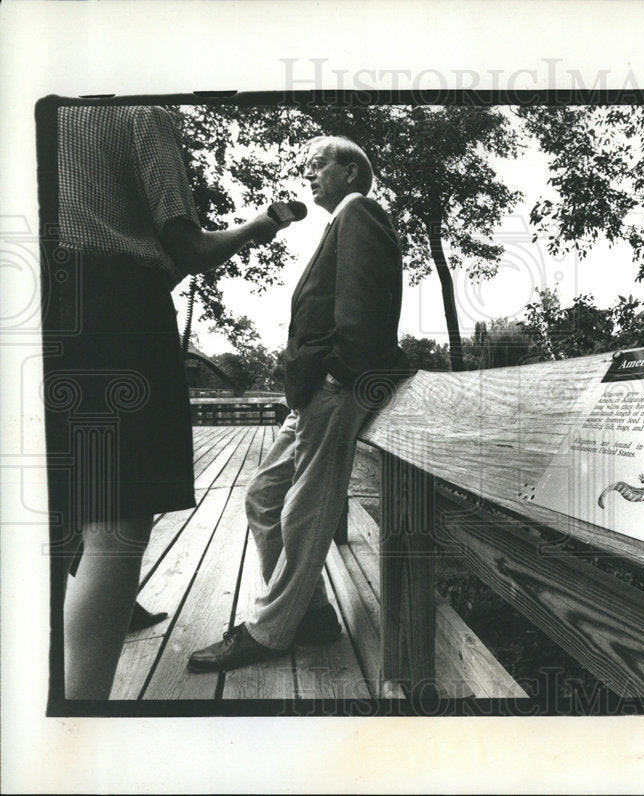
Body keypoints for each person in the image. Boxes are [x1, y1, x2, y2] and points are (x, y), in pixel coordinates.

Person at [43, 104, 292, 699]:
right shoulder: (138, 113)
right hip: (115, 316)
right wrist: (259, 226)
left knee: (55, 511)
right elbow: (190, 251)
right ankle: (79, 728)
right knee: (115, 526)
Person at [188, 135, 408, 672]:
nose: (307, 174)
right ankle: (309, 615)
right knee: (264, 496)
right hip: (316, 391)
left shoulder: (359, 214)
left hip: (334, 388)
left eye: (318, 164)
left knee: (304, 511)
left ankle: (268, 631)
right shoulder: (342, 222)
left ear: (351, 172)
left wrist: (336, 373)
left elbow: (360, 313)